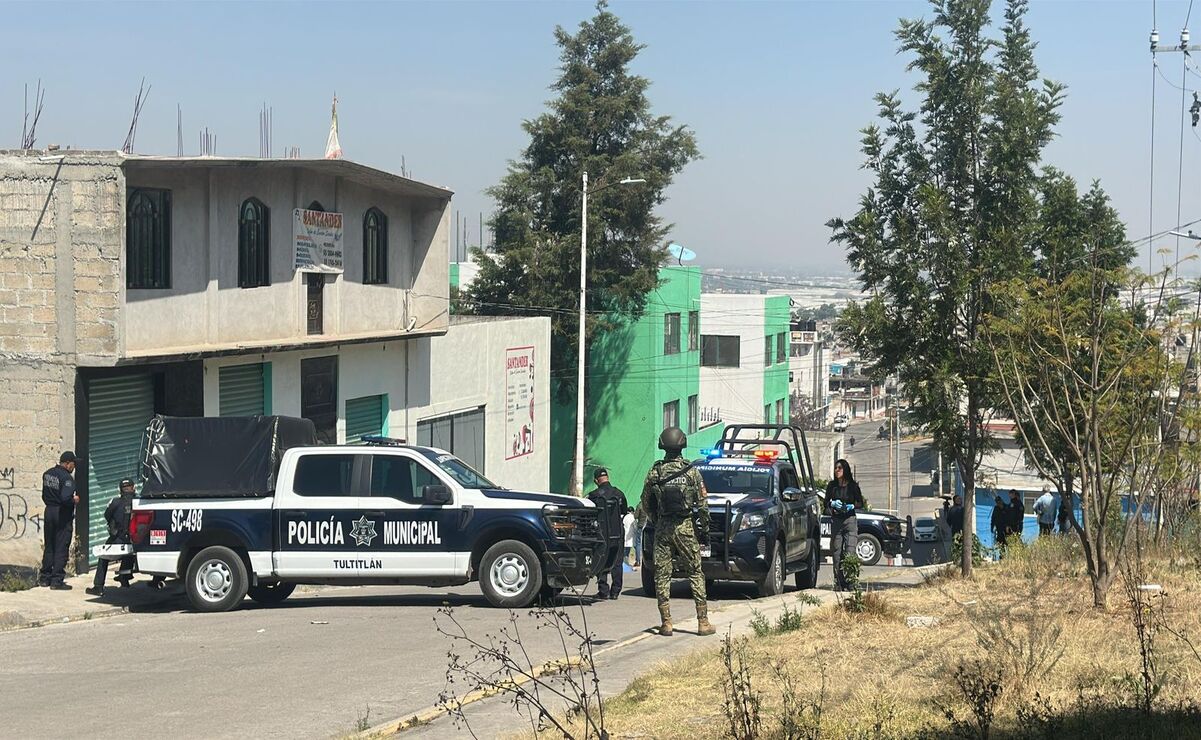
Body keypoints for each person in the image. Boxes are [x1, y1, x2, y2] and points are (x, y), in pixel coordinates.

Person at [640, 426, 714, 637]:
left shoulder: (656, 471)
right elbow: (703, 506)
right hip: (685, 528)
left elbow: (646, 502)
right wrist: (705, 530)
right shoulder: (691, 472)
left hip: (663, 528)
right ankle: (703, 622)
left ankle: (666, 623)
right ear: (682, 444)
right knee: (695, 573)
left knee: (662, 575)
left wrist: (656, 519)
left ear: (663, 445)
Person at [86, 479, 164, 597]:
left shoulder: (115, 502)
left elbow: (107, 515)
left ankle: (99, 586)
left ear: (120, 490)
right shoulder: (141, 502)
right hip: (140, 540)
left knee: (103, 556)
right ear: (133, 488)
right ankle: (150, 580)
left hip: (119, 539)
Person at [39, 451, 79, 590]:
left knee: (49, 544)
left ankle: (45, 578)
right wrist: (73, 500)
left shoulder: (47, 473)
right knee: (62, 546)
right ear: (67, 463)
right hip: (61, 513)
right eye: (74, 463)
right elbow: (65, 498)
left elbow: (44, 495)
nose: (74, 467)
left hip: (49, 510)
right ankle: (56, 581)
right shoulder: (67, 478)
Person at [587, 467, 628, 600]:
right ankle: (615, 591)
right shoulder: (619, 494)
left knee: (602, 559)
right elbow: (624, 511)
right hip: (617, 531)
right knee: (617, 561)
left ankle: (603, 590)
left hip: (602, 532)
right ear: (608, 477)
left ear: (595, 480)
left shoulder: (593, 495)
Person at [825, 459, 866, 591]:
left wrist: (852, 506)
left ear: (845, 470)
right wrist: (832, 504)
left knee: (850, 551)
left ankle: (851, 581)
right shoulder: (832, 486)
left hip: (850, 521)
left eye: (839, 468)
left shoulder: (853, 486)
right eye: (836, 468)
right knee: (837, 552)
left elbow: (861, 503)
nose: (837, 470)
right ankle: (839, 581)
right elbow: (825, 503)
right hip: (836, 521)